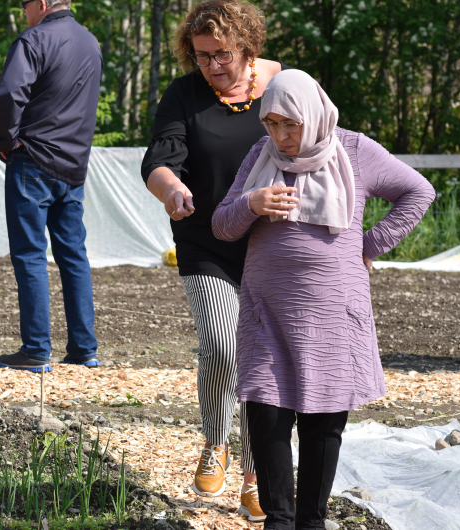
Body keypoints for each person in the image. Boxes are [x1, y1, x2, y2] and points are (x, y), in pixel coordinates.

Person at [211, 69, 434, 530]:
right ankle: (278, 520)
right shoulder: (260, 156)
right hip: (266, 309)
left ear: (311, 115)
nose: (281, 136)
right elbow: (221, 226)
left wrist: (368, 245)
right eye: (270, 125)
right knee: (267, 412)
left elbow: (418, 192)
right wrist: (251, 204)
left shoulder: (354, 150)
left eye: (289, 124)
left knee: (323, 419)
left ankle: (311, 521)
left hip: (334, 310)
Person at [140, 0, 286, 518]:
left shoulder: (280, 85)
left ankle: (253, 472)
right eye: (201, 56)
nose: (211, 67)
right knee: (224, 345)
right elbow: (157, 160)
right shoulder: (184, 94)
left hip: (268, 244)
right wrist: (172, 188)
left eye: (221, 54)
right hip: (204, 239)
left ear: (247, 47)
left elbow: (320, 143)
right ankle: (214, 439)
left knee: (263, 361)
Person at [0, 0, 103, 373]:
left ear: (40, 4)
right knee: (74, 255)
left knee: (30, 254)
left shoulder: (34, 40)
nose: (24, 14)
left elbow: (9, 95)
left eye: (24, 6)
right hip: (73, 166)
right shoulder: (91, 42)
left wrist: (6, 143)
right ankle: (84, 348)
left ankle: (37, 348)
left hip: (33, 160)